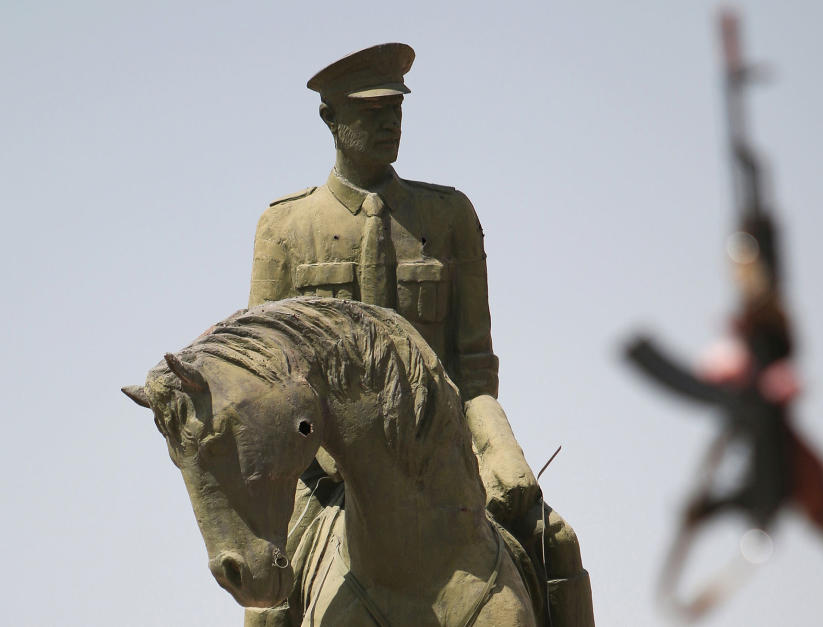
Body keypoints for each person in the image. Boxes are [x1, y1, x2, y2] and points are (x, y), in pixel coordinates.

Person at [246, 43, 594, 626]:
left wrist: (502, 454)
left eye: (396, 110)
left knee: (554, 540)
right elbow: (266, 384)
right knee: (268, 605)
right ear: (330, 118)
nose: (389, 123)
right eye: (370, 112)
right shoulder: (286, 228)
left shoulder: (448, 216)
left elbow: (475, 370)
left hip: (448, 456)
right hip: (327, 470)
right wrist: (328, 456)